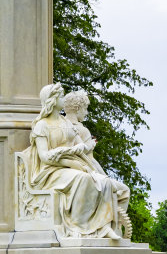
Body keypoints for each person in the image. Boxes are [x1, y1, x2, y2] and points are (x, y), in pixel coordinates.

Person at [26, 84, 121, 240]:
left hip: (72, 166)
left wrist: (85, 148)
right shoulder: (42, 125)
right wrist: (70, 162)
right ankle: (77, 226)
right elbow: (44, 157)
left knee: (103, 182)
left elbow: (80, 147)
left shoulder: (66, 123)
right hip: (50, 171)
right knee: (83, 178)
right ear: (53, 99)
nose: (64, 99)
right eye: (61, 96)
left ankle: (102, 227)